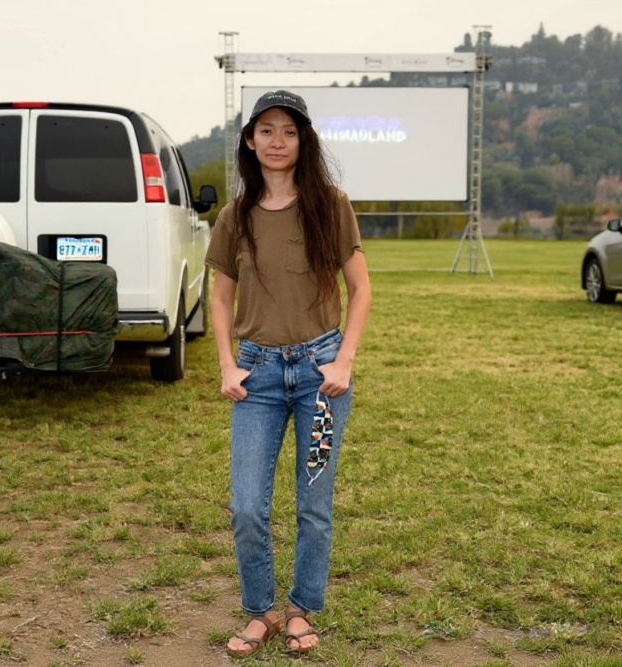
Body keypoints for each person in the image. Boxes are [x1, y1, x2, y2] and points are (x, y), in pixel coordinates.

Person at [204, 90, 372, 656]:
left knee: (313, 505)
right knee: (247, 506)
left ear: (304, 141)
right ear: (250, 141)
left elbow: (361, 289)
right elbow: (220, 298)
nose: (278, 141)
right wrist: (228, 364)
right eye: (267, 131)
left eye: (289, 131)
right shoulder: (235, 216)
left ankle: (301, 609)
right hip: (257, 377)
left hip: (321, 378)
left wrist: (343, 360)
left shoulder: (330, 205)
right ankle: (260, 612)